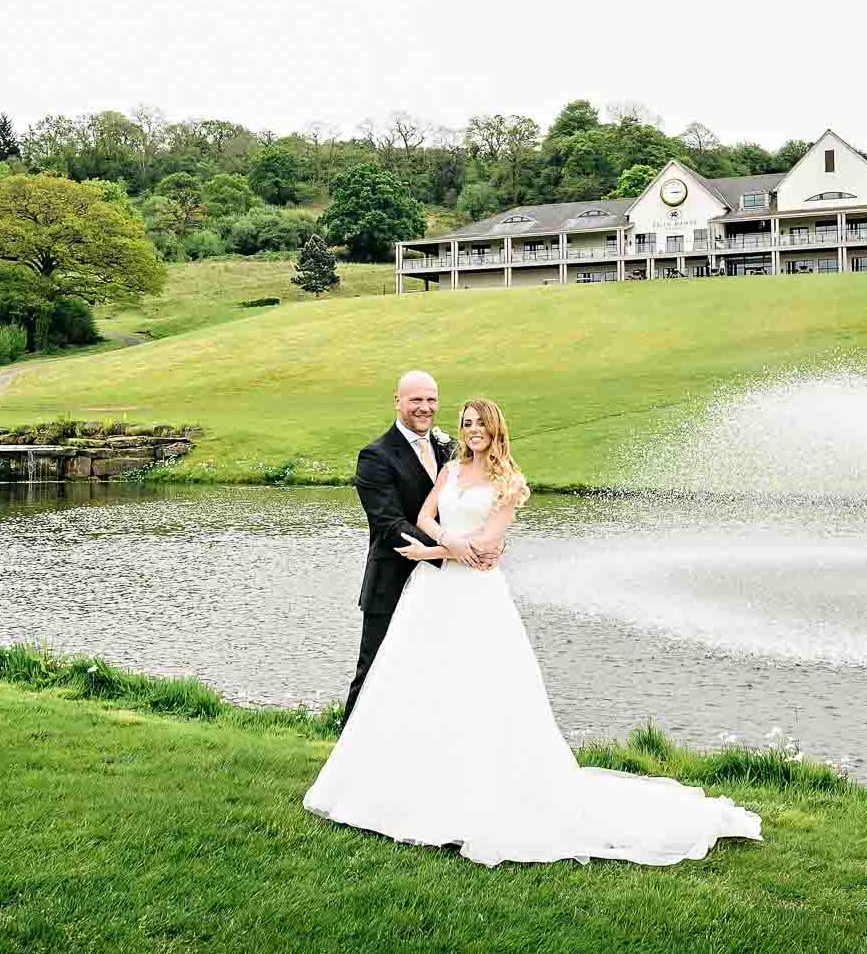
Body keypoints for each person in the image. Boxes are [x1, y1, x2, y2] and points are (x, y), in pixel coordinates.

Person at [305, 395, 762, 867]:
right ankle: (409, 787)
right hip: (432, 593)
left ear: (495, 428)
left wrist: (433, 554)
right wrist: (446, 545)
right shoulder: (450, 470)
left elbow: (491, 542)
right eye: (465, 424)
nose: (472, 430)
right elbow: (424, 516)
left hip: (476, 597)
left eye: (480, 424)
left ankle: (479, 795)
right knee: (419, 682)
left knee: (482, 691)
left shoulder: (510, 481)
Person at [341, 369, 501, 722]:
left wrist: (489, 542)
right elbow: (390, 524)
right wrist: (454, 549)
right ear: (397, 401)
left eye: (431, 399)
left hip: (447, 587)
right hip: (393, 581)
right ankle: (345, 758)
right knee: (374, 672)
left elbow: (474, 506)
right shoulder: (375, 456)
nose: (425, 407)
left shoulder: (448, 448)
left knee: (434, 674)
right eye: (416, 399)